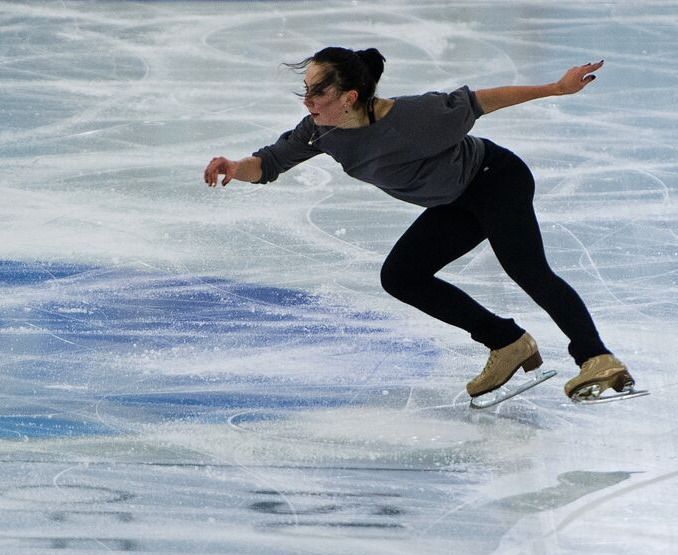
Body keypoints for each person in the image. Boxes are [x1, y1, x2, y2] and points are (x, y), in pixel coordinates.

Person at [203, 47, 635, 402]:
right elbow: (270, 162)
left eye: (317, 92)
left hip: (494, 179)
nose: (307, 101)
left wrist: (556, 88)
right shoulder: (319, 131)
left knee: (528, 270)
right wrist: (234, 167)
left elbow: (483, 100)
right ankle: (506, 341)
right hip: (454, 200)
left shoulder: (414, 116)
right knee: (401, 277)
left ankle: (596, 357)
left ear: (349, 97)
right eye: (306, 90)